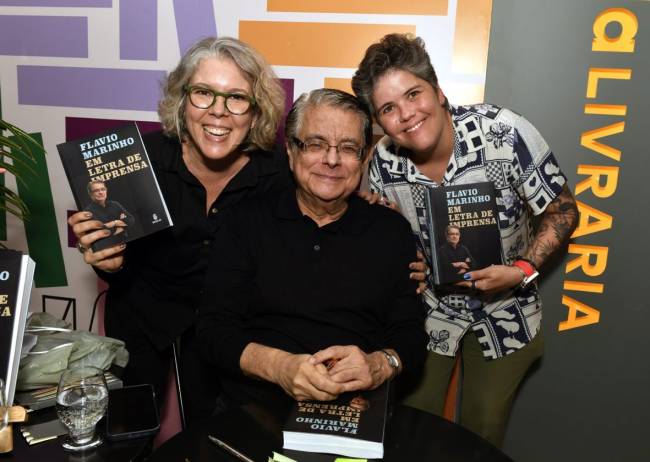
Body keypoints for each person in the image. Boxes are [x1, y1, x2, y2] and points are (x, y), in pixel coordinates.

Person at [352, 33, 579, 447]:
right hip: (431, 312)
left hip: (507, 312)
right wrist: (410, 260)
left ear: (438, 91)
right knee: (410, 432)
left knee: (481, 436)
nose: (406, 114)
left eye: (413, 94)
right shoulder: (382, 164)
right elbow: (385, 238)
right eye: (388, 108)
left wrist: (520, 271)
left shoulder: (505, 134)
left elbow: (563, 210)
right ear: (379, 121)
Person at [68, 36, 291, 421]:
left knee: (223, 440)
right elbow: (120, 267)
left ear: (255, 113)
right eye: (204, 92)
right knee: (128, 435)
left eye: (237, 98)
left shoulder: (279, 175)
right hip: (143, 320)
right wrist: (107, 263)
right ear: (183, 100)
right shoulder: (140, 162)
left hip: (232, 330)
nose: (218, 112)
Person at [197, 89, 427, 411]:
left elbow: (411, 335)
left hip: (357, 409)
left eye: (348, 148)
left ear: (364, 158)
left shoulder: (390, 230)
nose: (331, 160)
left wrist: (380, 364)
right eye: (315, 144)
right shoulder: (244, 222)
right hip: (254, 408)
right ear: (291, 152)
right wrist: (279, 367)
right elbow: (212, 331)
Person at [83, 180, 134, 246]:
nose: (101, 192)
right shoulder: (87, 212)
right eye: (96, 190)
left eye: (103, 189)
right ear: (90, 194)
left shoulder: (115, 204)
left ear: (106, 191)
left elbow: (131, 219)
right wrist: (122, 225)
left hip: (126, 241)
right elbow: (102, 232)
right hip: (108, 248)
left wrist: (113, 223)